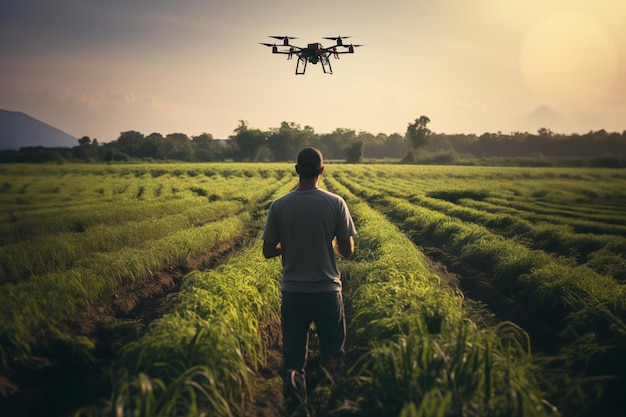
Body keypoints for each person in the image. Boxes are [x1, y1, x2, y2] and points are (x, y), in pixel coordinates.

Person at [262, 147, 356, 406]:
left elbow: (268, 251)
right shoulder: (335, 202)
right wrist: (331, 242)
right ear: (321, 170)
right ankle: (334, 405)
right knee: (333, 354)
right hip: (327, 292)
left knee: (293, 358)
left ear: (296, 170)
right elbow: (347, 251)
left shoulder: (279, 205)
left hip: (293, 293)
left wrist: (288, 244)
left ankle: (294, 407)